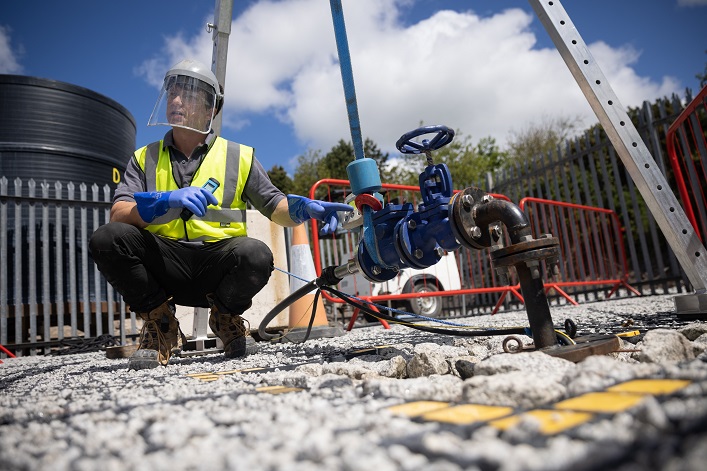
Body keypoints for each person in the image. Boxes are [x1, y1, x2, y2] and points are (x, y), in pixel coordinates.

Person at [90, 59, 352, 369]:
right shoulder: (144, 158)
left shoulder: (238, 156)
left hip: (217, 270)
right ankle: (161, 324)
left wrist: (300, 209)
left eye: (186, 94)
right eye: (172, 93)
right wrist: (162, 201)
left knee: (256, 253)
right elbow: (118, 216)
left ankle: (226, 317)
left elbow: (273, 204)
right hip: (163, 265)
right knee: (106, 239)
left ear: (211, 108)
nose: (175, 100)